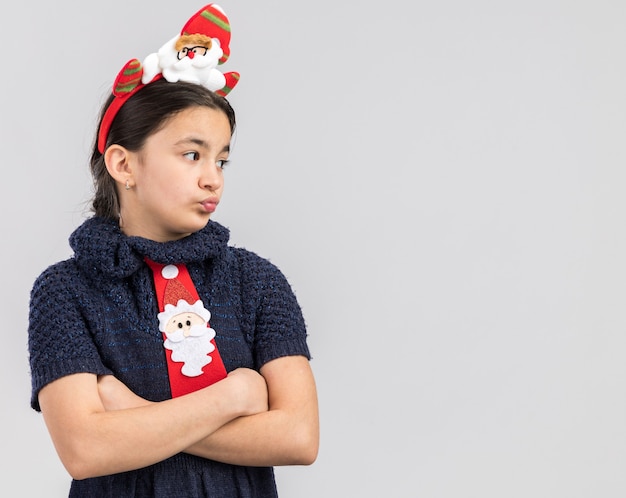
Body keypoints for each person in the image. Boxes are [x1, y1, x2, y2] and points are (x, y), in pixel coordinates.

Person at [27, 4, 319, 497]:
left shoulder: (257, 281)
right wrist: (236, 395)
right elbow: (85, 450)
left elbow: (298, 436)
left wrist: (132, 415)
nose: (212, 177)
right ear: (123, 164)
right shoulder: (65, 290)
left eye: (221, 159)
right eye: (191, 154)